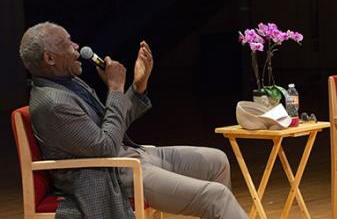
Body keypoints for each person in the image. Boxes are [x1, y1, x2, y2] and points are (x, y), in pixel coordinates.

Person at [19, 21, 248, 219]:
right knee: (216, 196)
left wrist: (138, 87)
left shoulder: (70, 84)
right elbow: (105, 145)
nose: (76, 47)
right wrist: (116, 89)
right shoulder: (52, 103)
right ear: (49, 58)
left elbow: (113, 126)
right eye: (67, 44)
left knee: (216, 161)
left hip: (128, 157)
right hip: (112, 175)